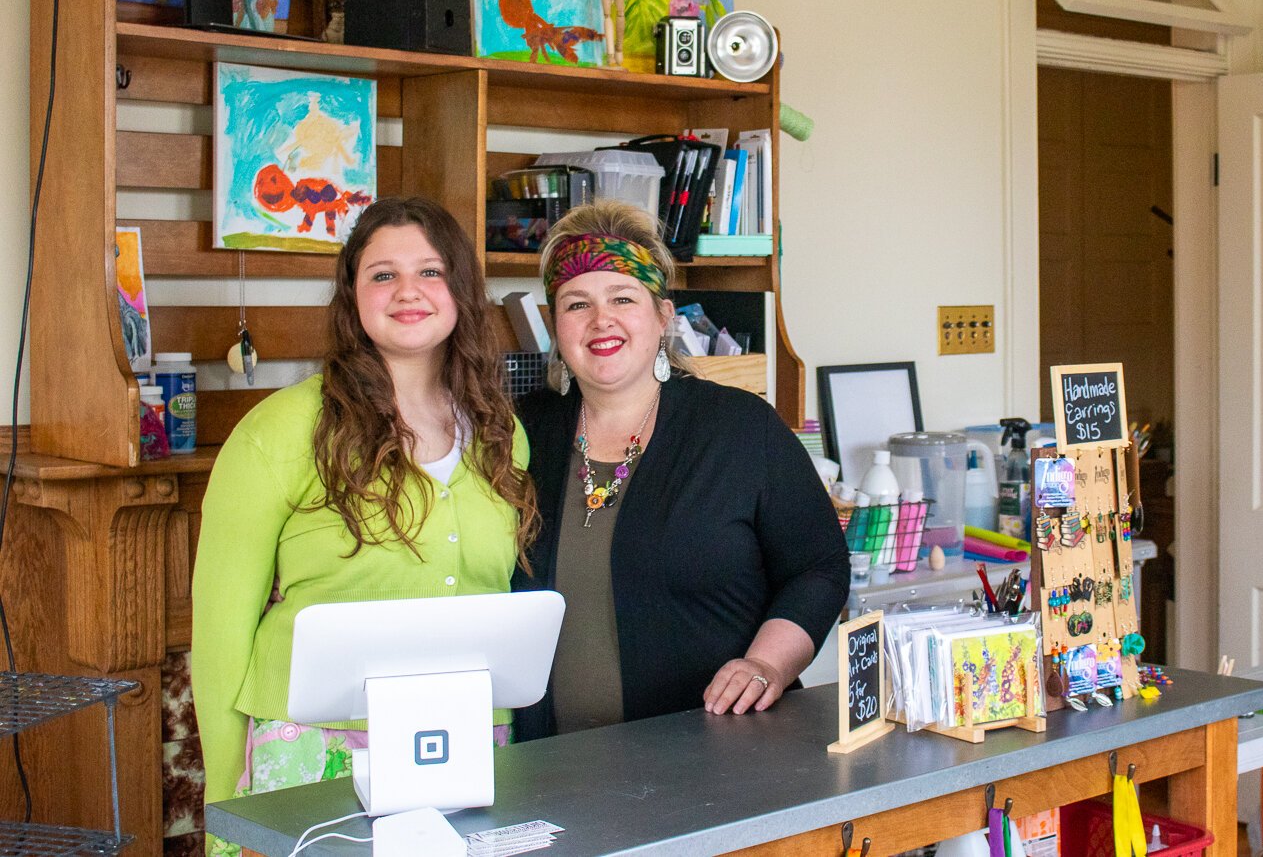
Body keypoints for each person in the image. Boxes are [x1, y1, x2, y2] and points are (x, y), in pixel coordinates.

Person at [191, 197, 538, 847]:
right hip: (313, 754)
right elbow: (218, 635)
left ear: (461, 290)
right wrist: (224, 808)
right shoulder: (281, 431)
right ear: (352, 295)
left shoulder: (503, 434)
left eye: (430, 272)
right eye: (383, 274)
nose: (408, 290)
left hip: (467, 744)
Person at [514, 201, 848, 737]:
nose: (602, 320)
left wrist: (768, 665)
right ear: (556, 325)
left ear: (663, 316)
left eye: (623, 298)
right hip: (552, 767)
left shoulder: (739, 427)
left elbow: (819, 567)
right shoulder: (521, 434)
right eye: (577, 304)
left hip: (716, 754)